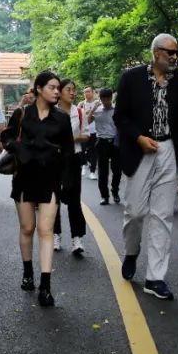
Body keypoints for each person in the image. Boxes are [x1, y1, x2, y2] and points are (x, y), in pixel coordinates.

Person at [114, 33, 178, 301]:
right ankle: (132, 251)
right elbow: (120, 117)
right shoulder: (131, 78)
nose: (174, 57)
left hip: (168, 149)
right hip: (140, 150)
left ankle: (155, 278)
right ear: (155, 52)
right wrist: (138, 137)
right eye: (169, 52)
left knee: (162, 216)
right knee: (135, 212)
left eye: (176, 53)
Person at [0, 71, 75, 307]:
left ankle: (46, 285)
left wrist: (67, 183)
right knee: (27, 227)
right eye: (52, 87)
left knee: (45, 230)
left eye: (58, 88)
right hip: (24, 179)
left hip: (50, 180)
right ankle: (27, 272)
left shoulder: (62, 118)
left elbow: (69, 152)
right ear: (39, 89)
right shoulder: (23, 113)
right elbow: (6, 136)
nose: (57, 91)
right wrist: (17, 148)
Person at [54, 79, 89, 255]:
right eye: (68, 89)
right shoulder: (52, 112)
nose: (72, 92)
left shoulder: (80, 112)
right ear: (59, 92)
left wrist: (72, 139)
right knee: (54, 199)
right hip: (55, 159)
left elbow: (87, 135)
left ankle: (77, 238)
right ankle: (56, 235)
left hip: (74, 158)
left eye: (74, 90)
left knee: (74, 199)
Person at [90, 87, 122, 205]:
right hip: (102, 142)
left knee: (117, 170)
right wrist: (93, 109)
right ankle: (104, 196)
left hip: (115, 142)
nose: (106, 101)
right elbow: (87, 121)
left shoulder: (117, 110)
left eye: (108, 99)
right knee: (103, 172)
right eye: (103, 99)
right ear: (101, 99)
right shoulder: (97, 110)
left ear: (111, 97)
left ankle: (115, 191)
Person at [80, 86, 100, 179]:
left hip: (95, 131)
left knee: (94, 151)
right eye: (85, 92)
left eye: (88, 91)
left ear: (92, 92)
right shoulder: (81, 104)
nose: (86, 93)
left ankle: (92, 171)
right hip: (84, 131)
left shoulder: (98, 104)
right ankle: (83, 165)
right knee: (82, 151)